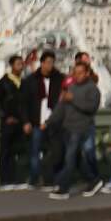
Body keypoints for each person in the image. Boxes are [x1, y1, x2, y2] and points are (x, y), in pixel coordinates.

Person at [50, 63, 103, 198]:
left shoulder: (92, 89)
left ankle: (63, 188)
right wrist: (49, 121)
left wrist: (73, 99)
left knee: (70, 158)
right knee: (77, 159)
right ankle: (93, 180)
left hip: (80, 128)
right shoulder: (71, 87)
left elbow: (91, 107)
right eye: (75, 72)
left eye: (80, 73)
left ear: (87, 73)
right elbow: (61, 107)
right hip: (67, 127)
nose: (77, 75)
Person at [20, 51, 65, 187]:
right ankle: (34, 178)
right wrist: (26, 121)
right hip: (36, 121)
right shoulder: (31, 80)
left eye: (52, 63)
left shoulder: (59, 79)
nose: (50, 66)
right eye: (48, 63)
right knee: (35, 151)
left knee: (55, 152)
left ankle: (51, 179)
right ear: (42, 63)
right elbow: (24, 103)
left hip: (53, 122)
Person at [0, 56, 27, 191]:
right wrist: (6, 117)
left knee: (16, 151)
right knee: (5, 151)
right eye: (18, 64)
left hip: (20, 122)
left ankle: (15, 179)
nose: (21, 67)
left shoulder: (23, 82)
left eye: (22, 64)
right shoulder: (4, 82)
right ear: (12, 66)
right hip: (8, 122)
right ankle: (4, 181)